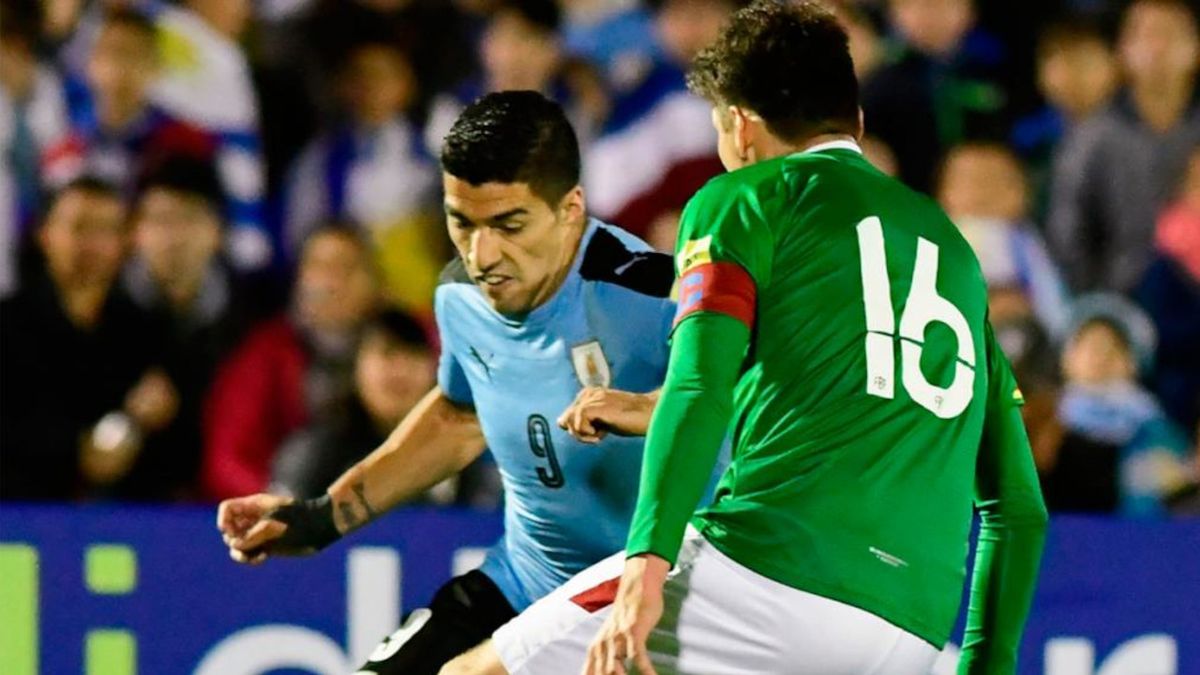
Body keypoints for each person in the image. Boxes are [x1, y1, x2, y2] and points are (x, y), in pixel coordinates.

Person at [447, 4, 1047, 674]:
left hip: (769, 568)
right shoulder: (954, 255)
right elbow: (1018, 509)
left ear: (740, 124)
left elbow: (699, 385)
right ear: (856, 122)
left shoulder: (745, 198)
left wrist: (647, 568)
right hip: (908, 627)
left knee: (474, 672)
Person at [217, 91, 705, 675]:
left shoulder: (652, 296)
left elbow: (758, 395)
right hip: (524, 582)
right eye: (461, 222)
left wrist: (656, 405)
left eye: (509, 225)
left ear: (571, 208)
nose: (483, 255)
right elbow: (458, 416)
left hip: (653, 602)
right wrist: (323, 518)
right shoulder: (459, 297)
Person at [0, 177, 176, 500]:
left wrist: (157, 416)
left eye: (105, 229)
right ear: (44, 233)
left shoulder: (149, 333)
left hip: (126, 522)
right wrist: (76, 450)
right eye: (78, 227)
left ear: (126, 241)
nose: (91, 244)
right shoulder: (9, 323)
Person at [201, 225, 378, 500]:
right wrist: (277, 504)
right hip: (288, 500)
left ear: (373, 280)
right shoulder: (265, 354)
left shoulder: (405, 346)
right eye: (319, 267)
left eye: (346, 267)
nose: (331, 282)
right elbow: (228, 458)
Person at [120, 156, 258, 500]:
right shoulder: (103, 310)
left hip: (222, 500)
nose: (174, 237)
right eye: (161, 220)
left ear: (218, 231)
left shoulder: (253, 314)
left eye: (189, 220)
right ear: (135, 232)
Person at [285, 35, 444, 318]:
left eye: (384, 75)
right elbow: (298, 241)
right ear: (343, 86)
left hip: (423, 313)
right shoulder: (319, 161)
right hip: (347, 313)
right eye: (360, 76)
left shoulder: (438, 153)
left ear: (408, 84)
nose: (372, 87)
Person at [1047, 0, 1200, 294]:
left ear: (1194, 48)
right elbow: (1067, 235)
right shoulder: (1092, 136)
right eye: (1145, 34)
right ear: (1123, 50)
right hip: (1120, 302)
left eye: (1171, 34)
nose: (1158, 48)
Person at [270, 308, 437, 500]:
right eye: (387, 353)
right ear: (355, 366)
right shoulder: (315, 454)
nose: (401, 370)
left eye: (415, 355)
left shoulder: (452, 455)